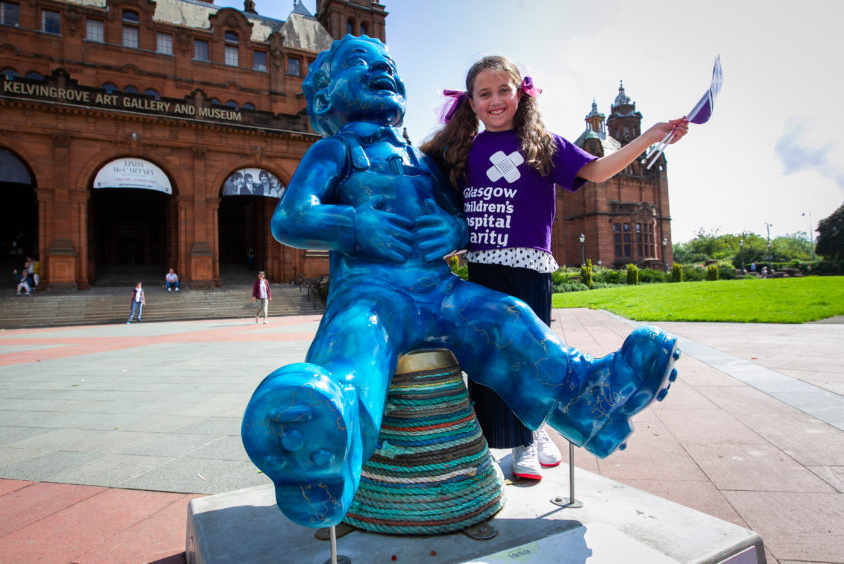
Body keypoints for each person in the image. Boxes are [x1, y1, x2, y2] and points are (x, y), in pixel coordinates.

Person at [240, 35, 681, 529]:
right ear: (325, 97)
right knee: (358, 347)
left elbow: (457, 215)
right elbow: (291, 218)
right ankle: (326, 440)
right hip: (372, 292)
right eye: (361, 63)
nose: (382, 68)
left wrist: (455, 229)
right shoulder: (333, 152)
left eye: (387, 63)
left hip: (440, 289)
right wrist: (355, 225)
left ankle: (586, 401)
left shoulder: (422, 159)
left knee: (510, 319)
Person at [421, 56, 689, 480]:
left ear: (520, 93)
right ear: (470, 102)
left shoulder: (544, 144)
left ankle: (531, 436)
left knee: (539, 357)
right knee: (487, 356)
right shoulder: (462, 151)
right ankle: (489, 445)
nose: (495, 100)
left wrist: (650, 136)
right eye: (484, 93)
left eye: (503, 90)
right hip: (484, 270)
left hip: (530, 266)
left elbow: (599, 171)